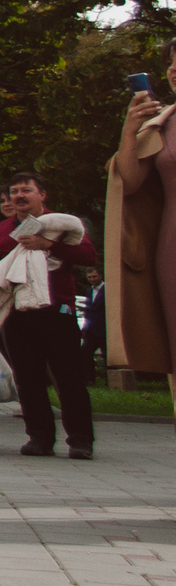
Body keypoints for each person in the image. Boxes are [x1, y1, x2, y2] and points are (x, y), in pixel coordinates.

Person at [0, 171, 103, 459]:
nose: (19, 196)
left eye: (26, 190)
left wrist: (50, 245)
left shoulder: (63, 224)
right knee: (28, 378)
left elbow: (89, 257)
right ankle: (39, 438)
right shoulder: (3, 229)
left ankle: (80, 440)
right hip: (16, 312)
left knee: (69, 378)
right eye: (14, 192)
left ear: (42, 195)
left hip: (57, 310)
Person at [107, 46, 174, 404]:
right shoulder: (163, 123)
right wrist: (130, 130)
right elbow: (129, 183)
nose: (175, 69)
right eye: (171, 63)